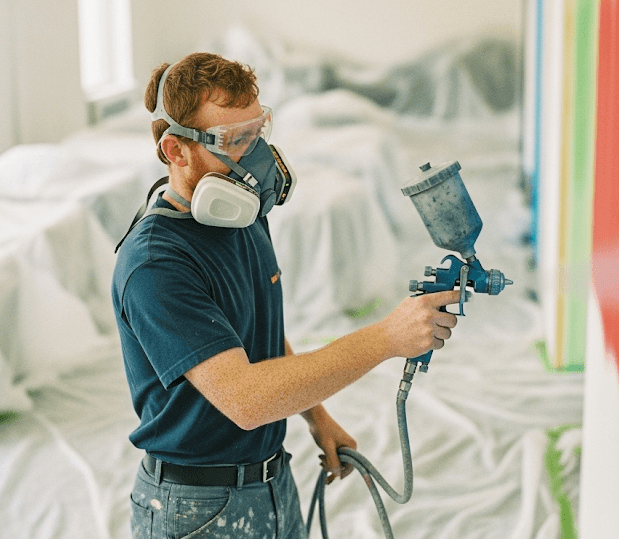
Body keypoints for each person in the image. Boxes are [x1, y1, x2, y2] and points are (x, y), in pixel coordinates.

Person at [112, 52, 460, 539]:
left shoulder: (242, 216)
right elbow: (246, 398)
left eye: (258, 133)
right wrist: (386, 338)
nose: (255, 159)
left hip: (273, 482)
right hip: (197, 508)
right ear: (176, 150)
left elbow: (257, 336)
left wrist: (317, 418)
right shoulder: (156, 264)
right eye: (235, 141)